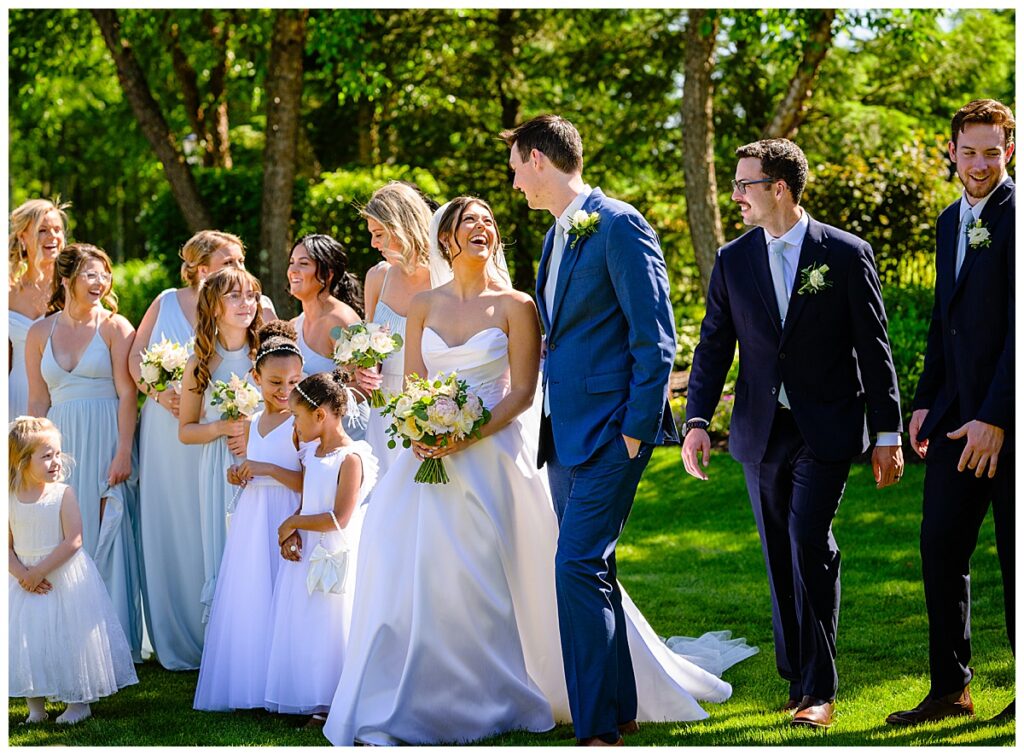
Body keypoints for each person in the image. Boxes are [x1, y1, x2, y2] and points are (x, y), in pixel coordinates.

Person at [324, 197, 754, 747]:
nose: (482, 228)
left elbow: (525, 392)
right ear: (446, 239)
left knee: (495, 568)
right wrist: (421, 430)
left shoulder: (516, 305)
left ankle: (513, 688)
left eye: (488, 221)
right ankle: (423, 692)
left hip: (493, 452)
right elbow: (411, 384)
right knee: (414, 567)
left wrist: (465, 434)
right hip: (425, 455)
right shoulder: (422, 306)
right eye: (468, 222)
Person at [682, 138, 904, 729]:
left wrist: (889, 432)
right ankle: (795, 673)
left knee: (810, 541)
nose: (736, 196)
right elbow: (713, 347)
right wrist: (698, 421)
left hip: (827, 427)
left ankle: (818, 690)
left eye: (743, 185)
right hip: (760, 431)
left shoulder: (846, 253)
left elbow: (874, 350)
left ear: (777, 187)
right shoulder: (733, 260)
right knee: (779, 554)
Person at [500, 114, 680, 745]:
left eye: (517, 166)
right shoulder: (556, 236)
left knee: (574, 565)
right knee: (591, 569)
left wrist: (635, 431)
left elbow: (655, 338)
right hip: (563, 432)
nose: (515, 182)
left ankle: (596, 728)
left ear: (539, 159)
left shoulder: (621, 224)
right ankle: (619, 710)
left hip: (610, 432)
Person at [886, 99, 1016, 726]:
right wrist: (923, 402)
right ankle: (949, 690)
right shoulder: (947, 222)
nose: (980, 163)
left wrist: (996, 417)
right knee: (940, 548)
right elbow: (947, 323)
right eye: (969, 151)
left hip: (1008, 421)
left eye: (993, 151)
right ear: (952, 151)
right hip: (954, 420)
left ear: (1009, 151)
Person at [129, 229, 257, 670]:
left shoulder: (249, 302)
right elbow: (135, 356)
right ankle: (182, 630)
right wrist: (157, 391)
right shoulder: (166, 301)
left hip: (231, 439)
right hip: (172, 430)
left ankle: (234, 630)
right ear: (201, 268)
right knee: (179, 524)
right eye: (229, 262)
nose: (238, 270)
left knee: (221, 523)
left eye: (241, 261)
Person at [24, 243, 144, 662]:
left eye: (104, 274)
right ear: (67, 279)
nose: (100, 282)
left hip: (107, 435)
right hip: (60, 442)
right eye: (90, 274)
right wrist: (31, 453)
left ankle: (110, 644)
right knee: (59, 534)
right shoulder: (40, 333)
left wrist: (124, 451)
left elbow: (128, 394)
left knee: (103, 532)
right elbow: (38, 403)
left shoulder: (114, 326)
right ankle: (65, 644)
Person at [193, 321, 304, 712]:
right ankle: (253, 684)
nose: (285, 391)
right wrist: (239, 473)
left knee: (284, 594)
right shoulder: (252, 420)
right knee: (253, 593)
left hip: (285, 514)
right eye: (275, 383)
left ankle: (288, 684)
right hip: (253, 515)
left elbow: (308, 480)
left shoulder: (301, 423)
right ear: (255, 377)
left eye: (293, 382)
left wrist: (267, 470)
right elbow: (252, 465)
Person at [264, 371, 378, 724]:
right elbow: (310, 501)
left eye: (297, 417)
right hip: (307, 549)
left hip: (333, 551)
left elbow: (340, 517)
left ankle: (332, 698)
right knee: (306, 622)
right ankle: (308, 694)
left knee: (331, 624)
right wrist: (295, 528)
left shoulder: (350, 458)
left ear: (320, 415)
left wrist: (293, 523)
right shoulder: (312, 454)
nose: (294, 427)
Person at [8, 417, 138, 725]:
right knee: (30, 641)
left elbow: (74, 540)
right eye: (47, 455)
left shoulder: (62, 494)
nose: (56, 462)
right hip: (25, 580)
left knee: (70, 639)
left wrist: (39, 571)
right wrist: (22, 574)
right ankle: (36, 707)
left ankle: (78, 703)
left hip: (61, 577)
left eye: (58, 453)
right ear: (23, 461)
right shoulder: (9, 498)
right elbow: (6, 545)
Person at [178, 267, 264, 622]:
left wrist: (253, 429)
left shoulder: (266, 352)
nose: (247, 304)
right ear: (214, 306)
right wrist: (221, 427)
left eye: (251, 295)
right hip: (218, 465)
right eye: (235, 296)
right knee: (226, 545)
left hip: (263, 460)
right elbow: (186, 430)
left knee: (259, 547)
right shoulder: (200, 362)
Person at [353, 182, 435, 476]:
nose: (374, 244)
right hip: (383, 409)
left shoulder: (445, 278)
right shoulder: (378, 277)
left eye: (378, 235)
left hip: (431, 408)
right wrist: (361, 368)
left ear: (402, 226)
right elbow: (367, 350)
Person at [286, 234, 369, 439]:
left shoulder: (341, 322)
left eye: (303, 263)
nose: (293, 271)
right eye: (292, 263)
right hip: (313, 438)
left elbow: (364, 385)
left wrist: (319, 398)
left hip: (349, 435)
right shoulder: (294, 325)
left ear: (328, 273)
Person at [9, 199, 68, 418]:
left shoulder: (74, 286)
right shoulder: (8, 292)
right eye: (43, 230)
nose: (52, 237)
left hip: (60, 396)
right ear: (23, 238)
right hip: (14, 395)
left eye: (57, 230)